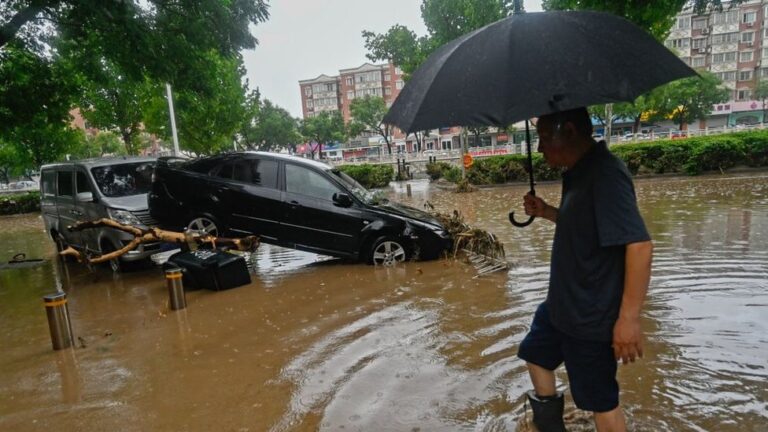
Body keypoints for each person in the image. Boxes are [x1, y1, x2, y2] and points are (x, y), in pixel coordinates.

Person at [517, 107, 653, 432]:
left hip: (590, 317)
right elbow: (588, 226)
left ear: (572, 132)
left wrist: (628, 320)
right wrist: (549, 212)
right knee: (535, 355)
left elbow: (639, 245)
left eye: (545, 138)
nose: (539, 149)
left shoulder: (606, 174)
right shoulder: (578, 172)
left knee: (600, 403)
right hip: (561, 306)